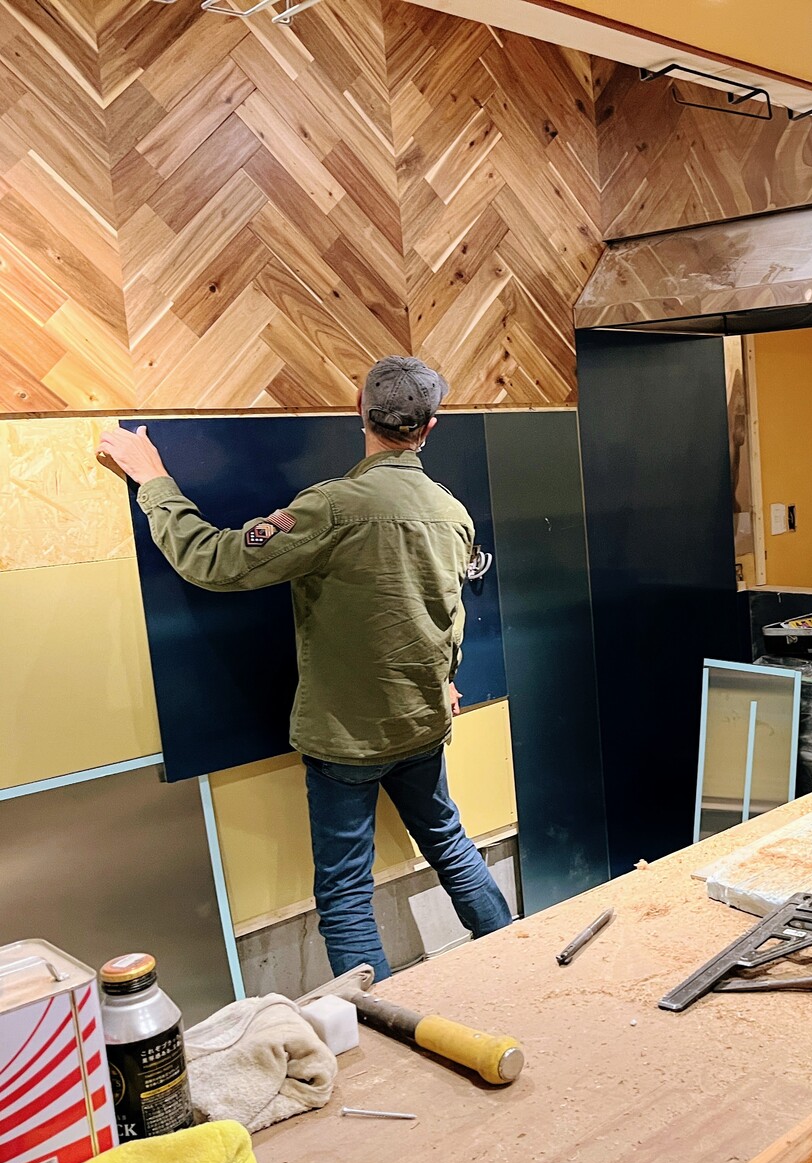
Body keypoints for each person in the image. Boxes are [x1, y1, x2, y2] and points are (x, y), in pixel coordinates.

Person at [97, 357, 512, 980]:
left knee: (346, 896)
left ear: (359, 410)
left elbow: (215, 561)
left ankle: (376, 1026)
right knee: (451, 845)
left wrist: (153, 479)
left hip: (344, 741)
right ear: (430, 427)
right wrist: (446, 679)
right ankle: (520, 967)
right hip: (423, 725)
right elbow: (447, 616)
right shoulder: (451, 513)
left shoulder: (329, 508)